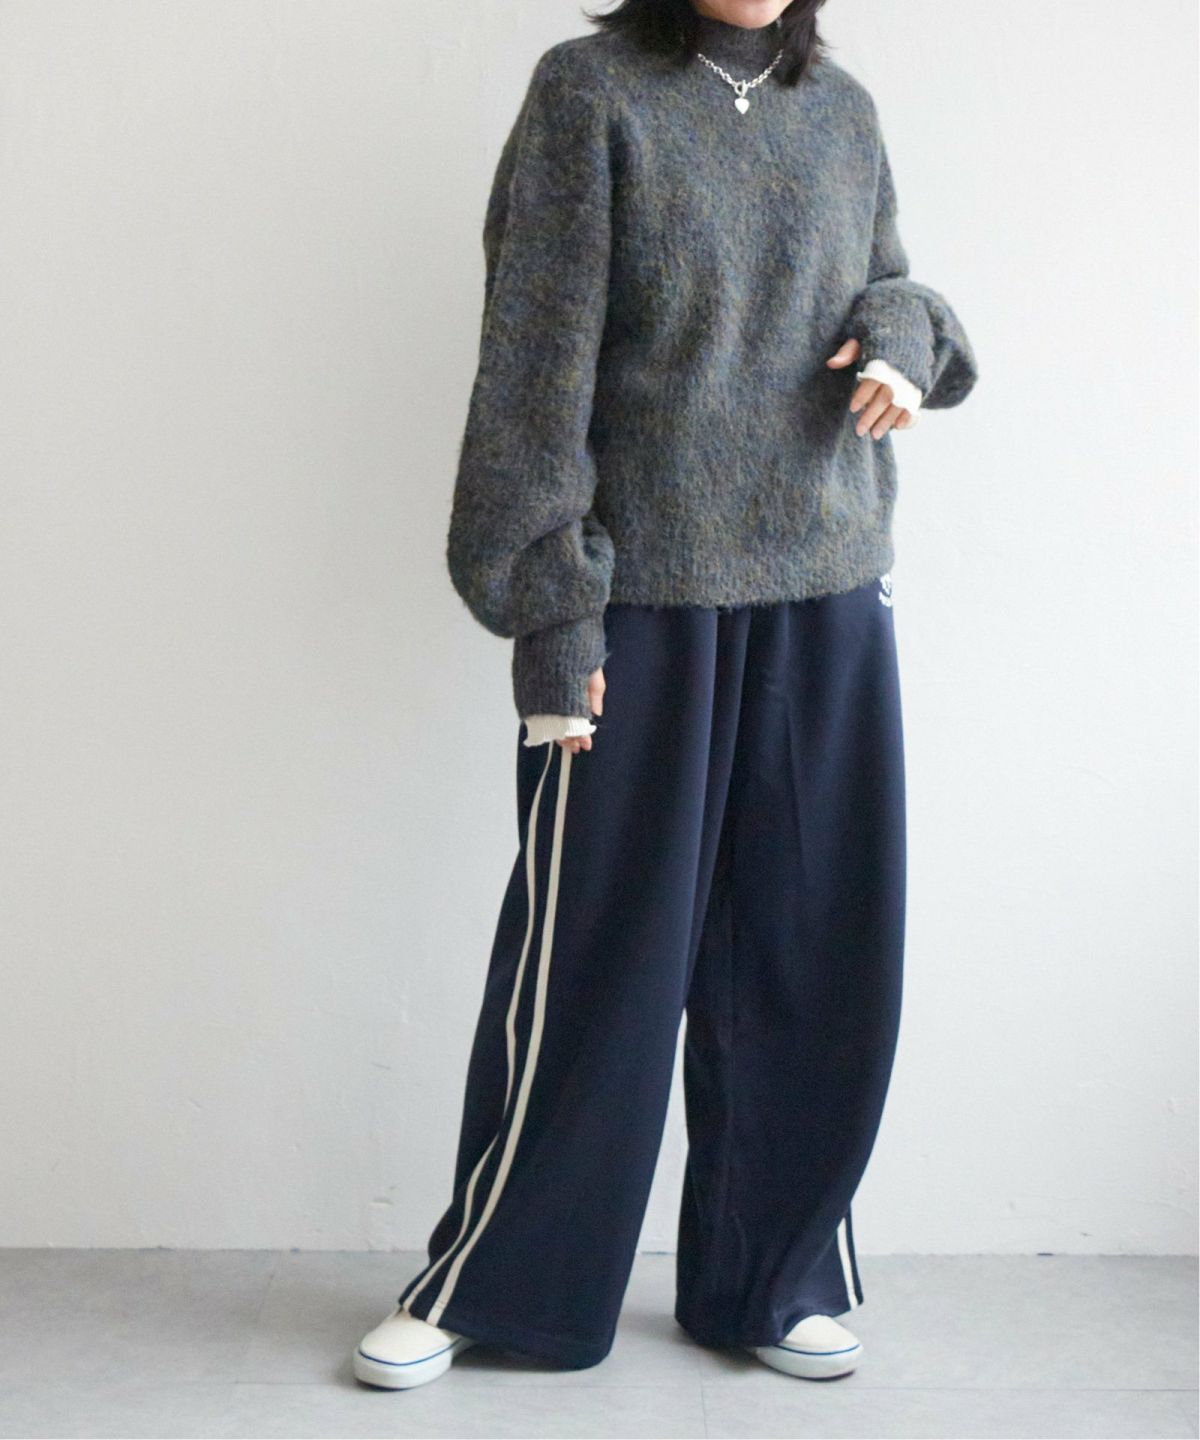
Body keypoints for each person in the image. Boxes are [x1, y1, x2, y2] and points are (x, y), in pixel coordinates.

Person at [354, 0, 977, 1391]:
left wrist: (901, 332)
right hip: (639, 600)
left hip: (827, 587)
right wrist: (551, 608)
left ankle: (774, 1275)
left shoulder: (844, 112)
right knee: (594, 959)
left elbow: (893, 288)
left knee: (812, 953)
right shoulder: (591, 95)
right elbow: (533, 372)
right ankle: (501, 1282)